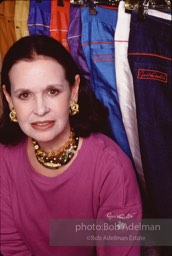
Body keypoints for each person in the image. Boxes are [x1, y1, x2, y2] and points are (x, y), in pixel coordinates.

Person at [0, 35, 142, 256]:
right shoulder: (4, 157)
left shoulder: (111, 168)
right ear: (9, 99)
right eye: (25, 95)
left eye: (52, 91)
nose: (40, 110)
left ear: (74, 90)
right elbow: (11, 246)